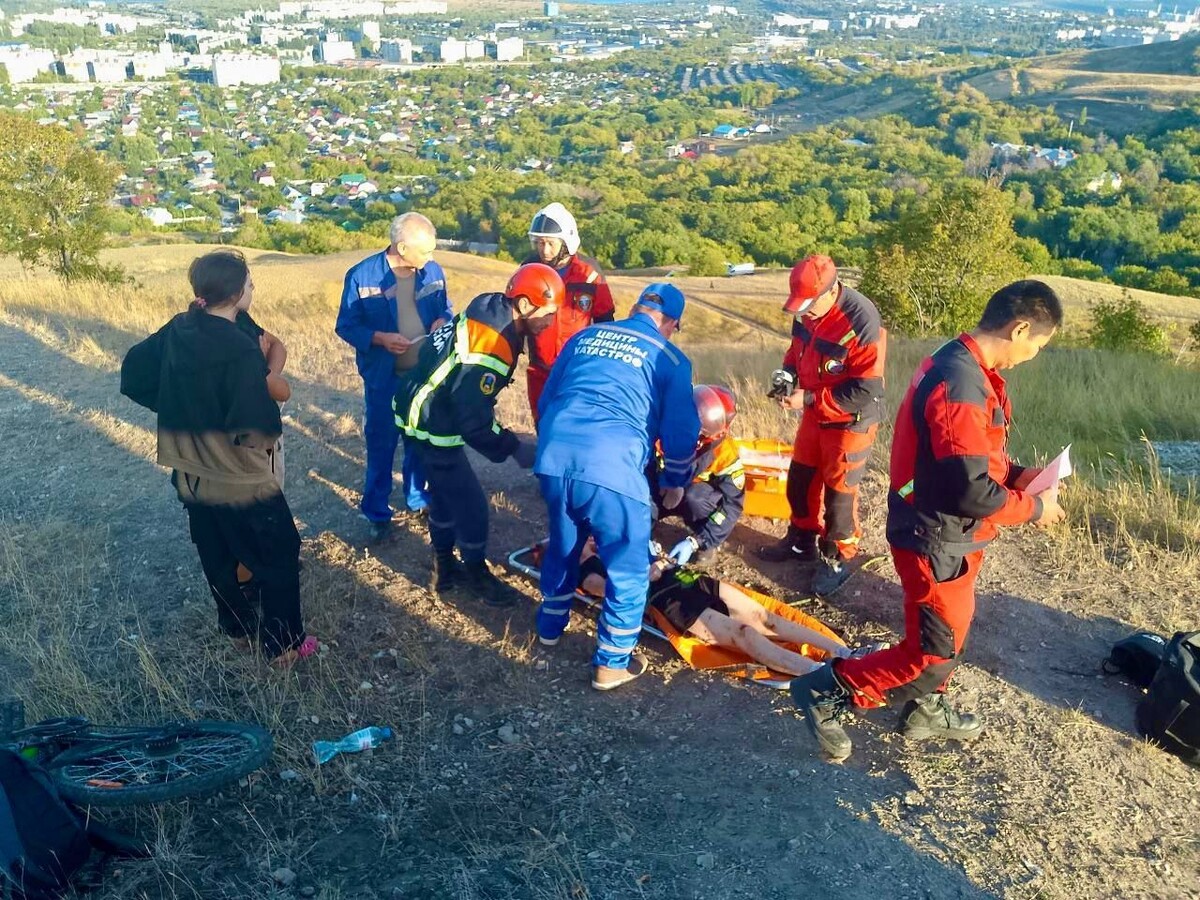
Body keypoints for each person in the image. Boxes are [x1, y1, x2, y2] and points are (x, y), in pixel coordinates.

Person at [790, 280, 1068, 762]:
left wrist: (1029, 478)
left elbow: (974, 461)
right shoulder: (959, 381)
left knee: (950, 632)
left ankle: (925, 711)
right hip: (934, 535)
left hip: (955, 533)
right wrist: (1035, 508)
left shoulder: (964, 366)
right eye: (1038, 344)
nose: (1035, 354)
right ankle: (829, 689)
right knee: (932, 655)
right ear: (1020, 327)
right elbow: (969, 489)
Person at [119, 249, 315, 666]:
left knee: (216, 550)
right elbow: (257, 424)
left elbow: (133, 374)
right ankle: (284, 646)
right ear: (237, 293)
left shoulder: (180, 327)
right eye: (250, 283)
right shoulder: (239, 349)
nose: (253, 289)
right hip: (235, 473)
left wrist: (174, 406)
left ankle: (238, 630)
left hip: (188, 466)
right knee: (279, 548)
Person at [534, 283, 700, 691]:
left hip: (555, 456)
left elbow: (547, 399)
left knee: (564, 543)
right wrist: (675, 481)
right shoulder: (670, 358)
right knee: (627, 569)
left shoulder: (585, 335)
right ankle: (611, 663)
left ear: (635, 309)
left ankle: (549, 627)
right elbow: (681, 431)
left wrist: (557, 446)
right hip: (612, 466)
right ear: (672, 324)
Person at [394, 262, 563, 607]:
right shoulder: (493, 348)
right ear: (526, 305)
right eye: (548, 312)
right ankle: (475, 575)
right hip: (431, 420)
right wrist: (514, 447)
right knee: (472, 508)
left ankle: (444, 568)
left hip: (419, 404)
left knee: (443, 494)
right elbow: (472, 419)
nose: (551, 321)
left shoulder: (492, 307)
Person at [756, 254, 887, 596]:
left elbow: (865, 388)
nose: (804, 313)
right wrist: (788, 375)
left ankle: (838, 556)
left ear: (831, 291)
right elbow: (797, 349)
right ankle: (801, 541)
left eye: (810, 305)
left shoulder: (862, 321)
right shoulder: (806, 313)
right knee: (800, 479)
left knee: (839, 495)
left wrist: (810, 400)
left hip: (850, 419)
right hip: (815, 413)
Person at [335, 212, 452, 541]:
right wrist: (381, 339)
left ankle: (417, 499)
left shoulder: (433, 270)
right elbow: (347, 325)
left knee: (418, 440)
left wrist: (442, 319)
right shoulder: (361, 276)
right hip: (384, 377)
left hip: (422, 375)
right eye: (425, 250)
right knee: (381, 443)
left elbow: (446, 306)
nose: (431, 257)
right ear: (402, 246)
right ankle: (376, 512)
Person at [577, 541, 850, 679]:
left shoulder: (621, 538)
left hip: (690, 580)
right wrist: (646, 575)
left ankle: (844, 653)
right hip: (669, 600)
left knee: (765, 618)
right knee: (745, 634)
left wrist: (662, 561)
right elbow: (598, 587)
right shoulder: (589, 566)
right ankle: (820, 674)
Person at [522, 202, 615, 424]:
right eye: (540, 243)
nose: (544, 251)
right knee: (542, 421)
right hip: (540, 366)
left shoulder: (588, 273)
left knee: (571, 423)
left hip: (577, 367)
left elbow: (605, 320)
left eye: (551, 244)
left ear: (566, 242)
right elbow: (516, 315)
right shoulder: (529, 270)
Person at [651, 384, 745, 567]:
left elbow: (732, 504)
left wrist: (699, 540)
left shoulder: (724, 452)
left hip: (692, 498)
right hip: (662, 490)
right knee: (642, 496)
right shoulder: (661, 431)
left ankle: (706, 544)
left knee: (696, 497)